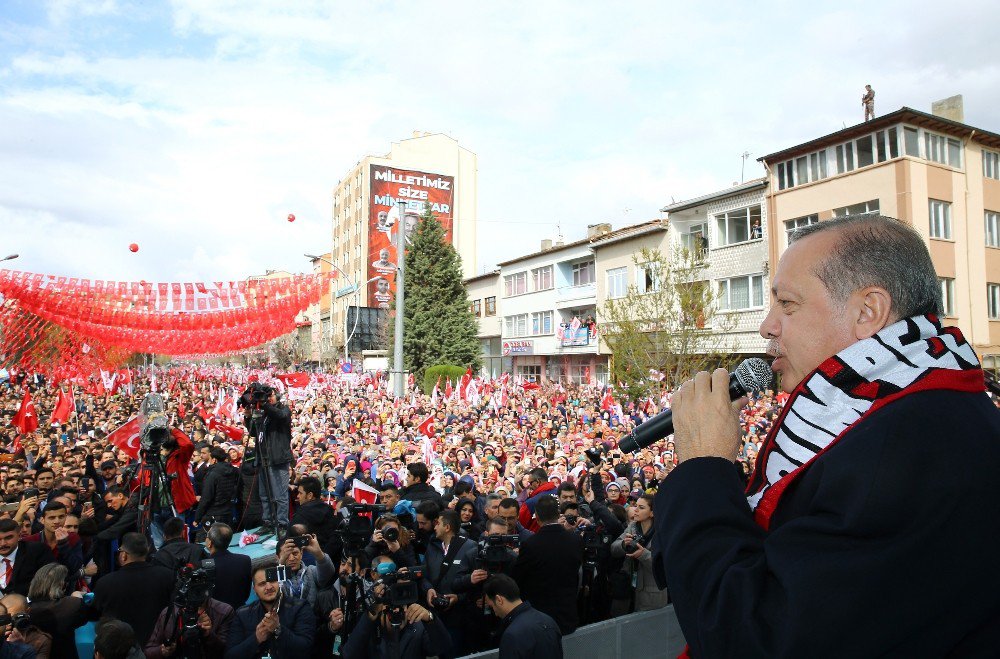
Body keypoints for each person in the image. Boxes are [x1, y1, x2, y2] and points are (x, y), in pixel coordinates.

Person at [654, 214, 1000, 656]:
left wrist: (705, 465)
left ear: (867, 312)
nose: (767, 326)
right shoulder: (915, 412)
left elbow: (754, 636)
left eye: (788, 304)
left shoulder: (907, 447)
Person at [340, 555, 451, 659]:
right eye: (385, 573)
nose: (397, 610)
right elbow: (349, 654)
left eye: (394, 574)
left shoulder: (416, 621)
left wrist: (431, 619)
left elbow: (442, 648)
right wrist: (371, 615)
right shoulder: (370, 618)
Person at [512, 494, 583, 635]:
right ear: (558, 515)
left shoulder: (530, 545)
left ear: (536, 517)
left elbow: (517, 578)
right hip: (566, 615)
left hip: (539, 620)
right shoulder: (575, 540)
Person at [91, 532, 175, 646]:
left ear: (123, 555)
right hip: (156, 646)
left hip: (118, 648)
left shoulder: (105, 582)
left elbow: (95, 613)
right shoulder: (168, 576)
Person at [225, 564, 315, 658]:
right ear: (254, 589)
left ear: (280, 582)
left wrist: (278, 630)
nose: (268, 587)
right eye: (262, 584)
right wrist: (256, 639)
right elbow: (230, 655)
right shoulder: (242, 614)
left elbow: (306, 648)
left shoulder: (300, 607)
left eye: (272, 581)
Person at [422, 509, 476, 655]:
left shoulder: (470, 548)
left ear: (447, 527)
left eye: (437, 524)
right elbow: (425, 576)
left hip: (460, 617)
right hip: (437, 616)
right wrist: (428, 589)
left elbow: (476, 583)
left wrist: (459, 598)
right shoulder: (432, 547)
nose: (434, 527)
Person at [144, 576, 234, 658]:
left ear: (208, 589)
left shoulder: (223, 612)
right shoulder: (169, 613)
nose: (196, 594)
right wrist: (162, 651)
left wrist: (208, 634)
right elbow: (148, 651)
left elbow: (225, 653)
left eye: (199, 589)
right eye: (192, 588)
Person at [243, 388, 292, 535]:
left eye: (270, 396)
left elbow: (280, 416)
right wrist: (248, 417)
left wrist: (264, 405)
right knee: (264, 494)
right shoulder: (263, 414)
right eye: (266, 397)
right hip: (263, 458)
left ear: (276, 396)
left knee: (280, 495)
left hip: (278, 458)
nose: (267, 399)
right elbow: (254, 432)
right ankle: (268, 522)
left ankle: (282, 523)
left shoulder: (284, 409)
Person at [609, 493, 667, 614]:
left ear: (652, 513)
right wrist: (624, 545)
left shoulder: (662, 533)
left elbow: (663, 567)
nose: (635, 510)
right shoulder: (632, 527)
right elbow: (613, 549)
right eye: (636, 506)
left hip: (652, 595)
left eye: (641, 507)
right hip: (628, 590)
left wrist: (643, 555)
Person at [483, 574, 562, 659]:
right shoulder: (548, 620)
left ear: (499, 600)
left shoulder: (512, 635)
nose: (495, 613)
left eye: (492, 607)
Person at [23, 564, 86, 659]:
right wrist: (77, 597)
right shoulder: (72, 604)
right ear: (62, 584)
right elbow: (87, 617)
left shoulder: (24, 607)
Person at [22, 502, 84, 582]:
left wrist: (64, 545)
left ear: (65, 517)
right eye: (51, 518)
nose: (57, 521)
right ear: (42, 520)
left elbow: (75, 568)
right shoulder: (30, 541)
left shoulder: (73, 538)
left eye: (61, 517)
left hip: (65, 586)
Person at [274, 532, 335, 607]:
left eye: (295, 553)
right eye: (286, 555)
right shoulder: (274, 577)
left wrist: (319, 554)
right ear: (278, 558)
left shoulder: (311, 571)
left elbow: (328, 574)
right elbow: (273, 596)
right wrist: (280, 565)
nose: (292, 558)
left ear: (302, 553)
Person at [203, 524, 251, 612]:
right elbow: (246, 593)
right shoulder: (244, 560)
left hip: (215, 616)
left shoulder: (204, 565)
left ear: (210, 543)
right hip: (239, 611)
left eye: (207, 536)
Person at [0, 518, 53, 597]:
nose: (3, 543)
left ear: (19, 535)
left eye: (8, 538)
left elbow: (51, 582)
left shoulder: (36, 551)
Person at [289, 476, 338, 559]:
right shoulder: (330, 511)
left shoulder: (300, 516)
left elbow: (289, 542)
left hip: (309, 562)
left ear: (310, 495)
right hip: (329, 561)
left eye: (300, 493)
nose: (297, 496)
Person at [193, 447, 239, 532]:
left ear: (214, 460)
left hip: (214, 515)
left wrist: (197, 518)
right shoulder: (233, 470)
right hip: (228, 512)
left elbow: (206, 498)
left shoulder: (212, 474)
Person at [0, 594, 52, 659]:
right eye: (4, 619)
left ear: (27, 611)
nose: (8, 624)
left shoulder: (40, 640)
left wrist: (19, 650)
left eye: (14, 618)